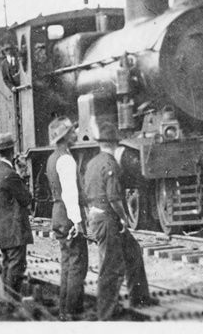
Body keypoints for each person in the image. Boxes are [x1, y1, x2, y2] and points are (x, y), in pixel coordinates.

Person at [83, 117, 159, 320]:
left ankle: (139, 297)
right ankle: (106, 313)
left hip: (100, 217)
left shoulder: (92, 163)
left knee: (132, 252)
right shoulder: (111, 165)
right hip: (109, 220)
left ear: (100, 143)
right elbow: (115, 199)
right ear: (116, 143)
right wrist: (124, 218)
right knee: (110, 267)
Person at [45, 117, 88, 321]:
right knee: (77, 262)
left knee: (67, 262)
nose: (75, 133)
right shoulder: (67, 160)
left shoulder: (52, 158)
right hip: (68, 213)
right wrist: (78, 221)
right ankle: (73, 311)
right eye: (71, 132)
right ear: (64, 137)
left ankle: (64, 308)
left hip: (57, 212)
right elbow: (70, 193)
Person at [0, 132, 33, 300]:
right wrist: (23, 175)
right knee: (17, 266)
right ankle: (12, 302)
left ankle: (8, 299)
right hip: (15, 230)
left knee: (7, 264)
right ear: (12, 151)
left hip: (2, 229)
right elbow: (26, 199)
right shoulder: (10, 175)